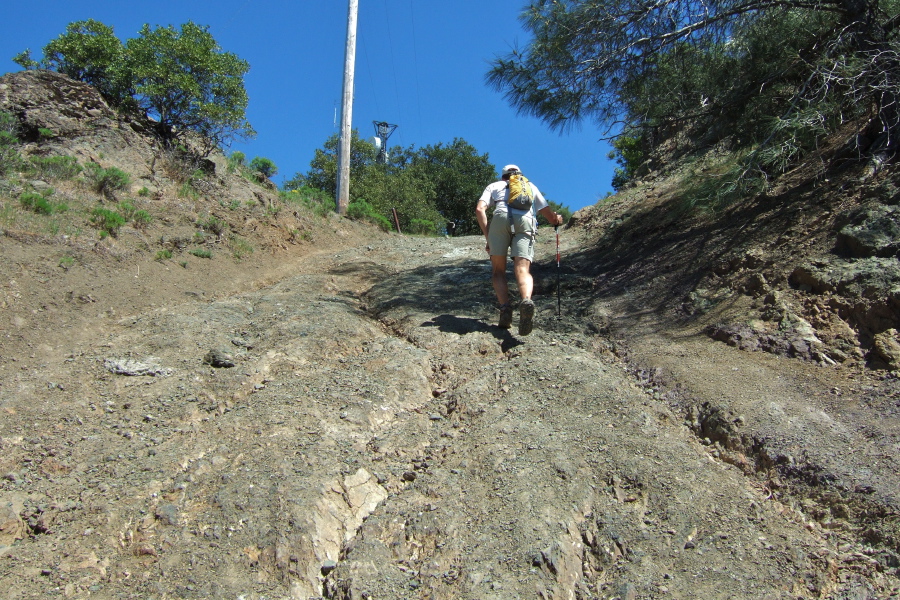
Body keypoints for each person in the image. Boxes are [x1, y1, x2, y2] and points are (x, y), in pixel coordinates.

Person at [475, 164, 563, 335]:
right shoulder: (529, 186)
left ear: (503, 177)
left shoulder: (494, 186)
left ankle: (505, 308)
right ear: (520, 176)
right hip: (526, 221)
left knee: (498, 271)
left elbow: (480, 209)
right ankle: (526, 301)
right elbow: (547, 212)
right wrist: (556, 220)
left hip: (500, 219)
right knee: (522, 269)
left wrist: (489, 237)